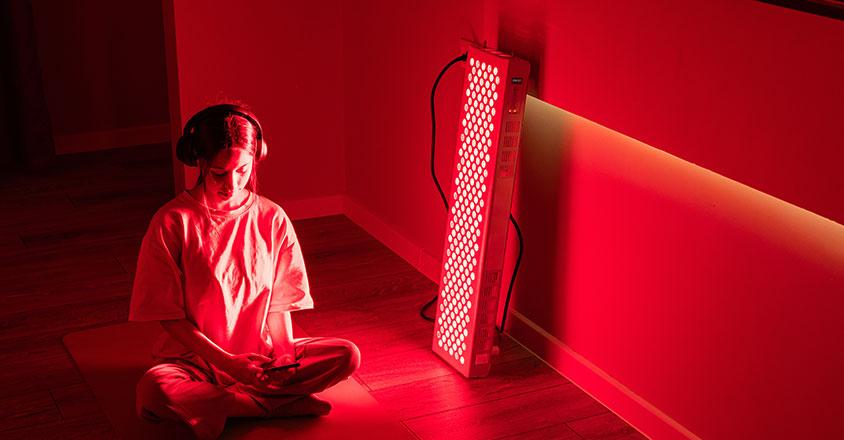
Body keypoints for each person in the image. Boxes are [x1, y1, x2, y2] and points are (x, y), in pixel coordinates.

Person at [129, 103, 360, 439]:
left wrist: (282, 357)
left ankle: (229, 406)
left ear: (257, 159)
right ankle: (273, 405)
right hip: (197, 362)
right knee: (153, 391)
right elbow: (169, 317)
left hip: (262, 359)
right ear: (200, 163)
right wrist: (228, 364)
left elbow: (280, 303)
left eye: (242, 171)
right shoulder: (171, 221)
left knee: (346, 355)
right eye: (219, 173)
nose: (232, 185)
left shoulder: (272, 217)